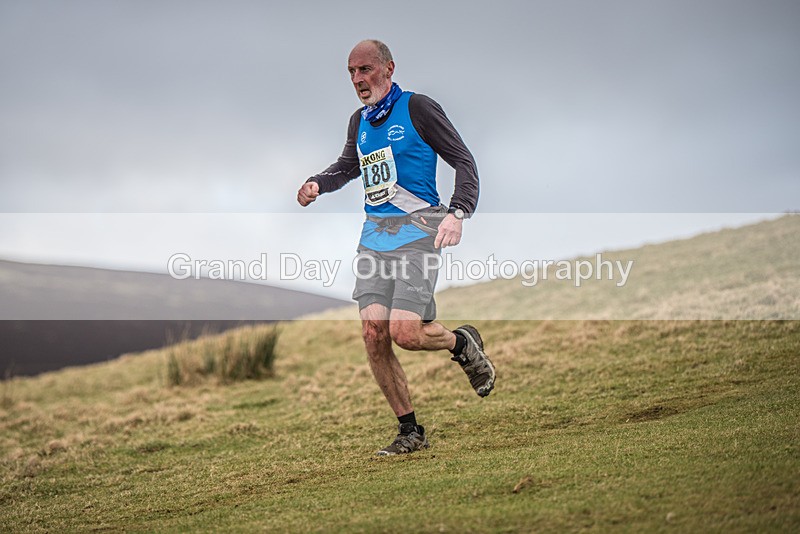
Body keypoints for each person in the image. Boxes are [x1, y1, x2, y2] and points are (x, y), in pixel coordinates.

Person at [297, 39, 495, 456]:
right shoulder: (360, 121)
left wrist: (459, 212)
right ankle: (410, 431)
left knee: (405, 333)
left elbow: (463, 160)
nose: (358, 80)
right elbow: (348, 166)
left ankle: (461, 344)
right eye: (351, 72)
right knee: (373, 334)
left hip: (420, 233)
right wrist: (319, 182)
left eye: (365, 69)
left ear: (388, 68)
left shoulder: (418, 108)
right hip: (374, 238)